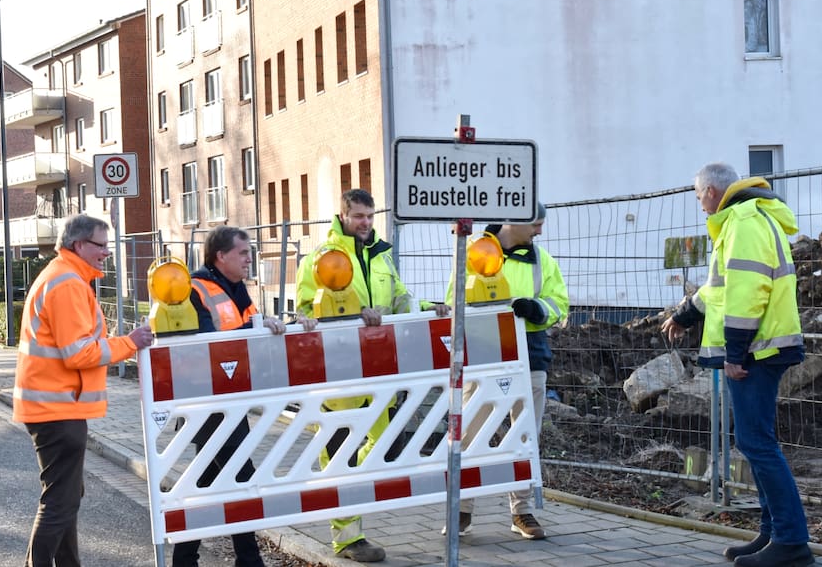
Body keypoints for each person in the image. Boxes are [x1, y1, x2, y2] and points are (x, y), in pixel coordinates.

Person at [661, 163, 813, 567]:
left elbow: (747, 293)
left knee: (757, 443)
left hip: (757, 351)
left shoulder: (744, 221)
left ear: (711, 191)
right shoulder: (740, 220)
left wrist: (734, 353)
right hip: (759, 348)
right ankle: (773, 534)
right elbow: (719, 288)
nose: (699, 205)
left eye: (697, 196)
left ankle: (792, 541)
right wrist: (686, 313)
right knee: (753, 441)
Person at [295, 188, 449, 563]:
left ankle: (347, 494)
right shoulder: (323, 258)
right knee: (339, 449)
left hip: (378, 366)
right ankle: (347, 538)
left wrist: (429, 308)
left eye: (370, 216)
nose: (365, 223)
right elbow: (304, 309)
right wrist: (355, 313)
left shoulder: (382, 255)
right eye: (359, 216)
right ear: (343, 215)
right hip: (337, 368)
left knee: (380, 444)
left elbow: (398, 298)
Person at [13, 215, 157, 567]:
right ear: (78, 245)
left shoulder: (65, 278)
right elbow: (78, 353)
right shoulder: (68, 284)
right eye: (101, 245)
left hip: (56, 406)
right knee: (60, 501)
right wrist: (130, 342)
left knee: (66, 498)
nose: (107, 253)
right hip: (58, 408)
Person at [172, 226, 316, 567]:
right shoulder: (195, 288)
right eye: (243, 252)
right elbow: (206, 341)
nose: (249, 258)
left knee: (207, 479)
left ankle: (186, 558)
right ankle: (248, 560)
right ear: (220, 256)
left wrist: (290, 325)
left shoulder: (237, 289)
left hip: (230, 399)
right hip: (207, 402)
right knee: (239, 474)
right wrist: (257, 328)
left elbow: (254, 333)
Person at [450, 203, 569, 541]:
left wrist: (536, 309)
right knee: (471, 435)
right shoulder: (477, 252)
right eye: (536, 224)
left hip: (530, 356)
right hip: (485, 355)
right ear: (514, 220)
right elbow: (454, 299)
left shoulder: (541, 260)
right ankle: (461, 510)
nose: (540, 231)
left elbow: (560, 302)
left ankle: (522, 511)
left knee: (525, 436)